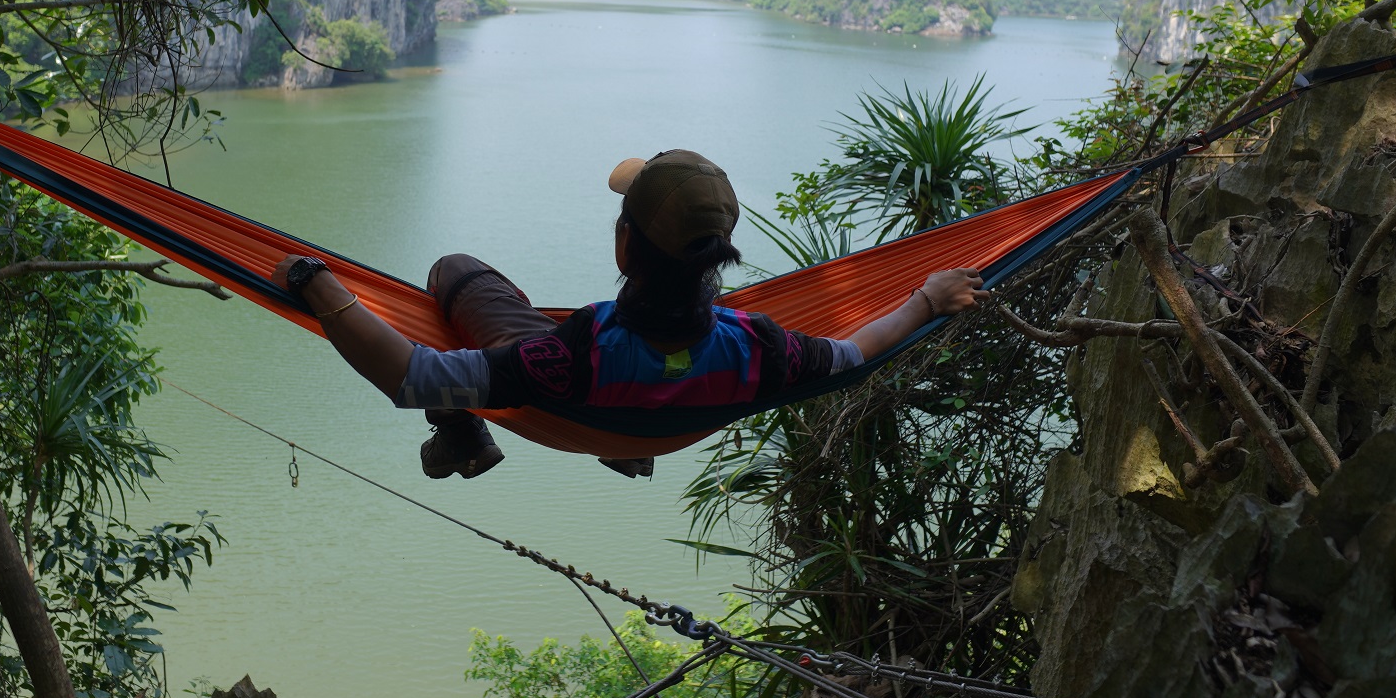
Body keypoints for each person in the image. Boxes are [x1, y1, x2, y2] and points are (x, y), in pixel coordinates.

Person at [274, 150, 988, 480]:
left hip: (587, 392)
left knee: (453, 270)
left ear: (624, 244)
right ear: (719, 255)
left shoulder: (571, 352)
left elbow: (417, 376)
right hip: (658, 412)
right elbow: (856, 351)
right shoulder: (763, 347)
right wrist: (927, 297)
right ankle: (625, 440)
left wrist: (317, 282)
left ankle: (462, 432)